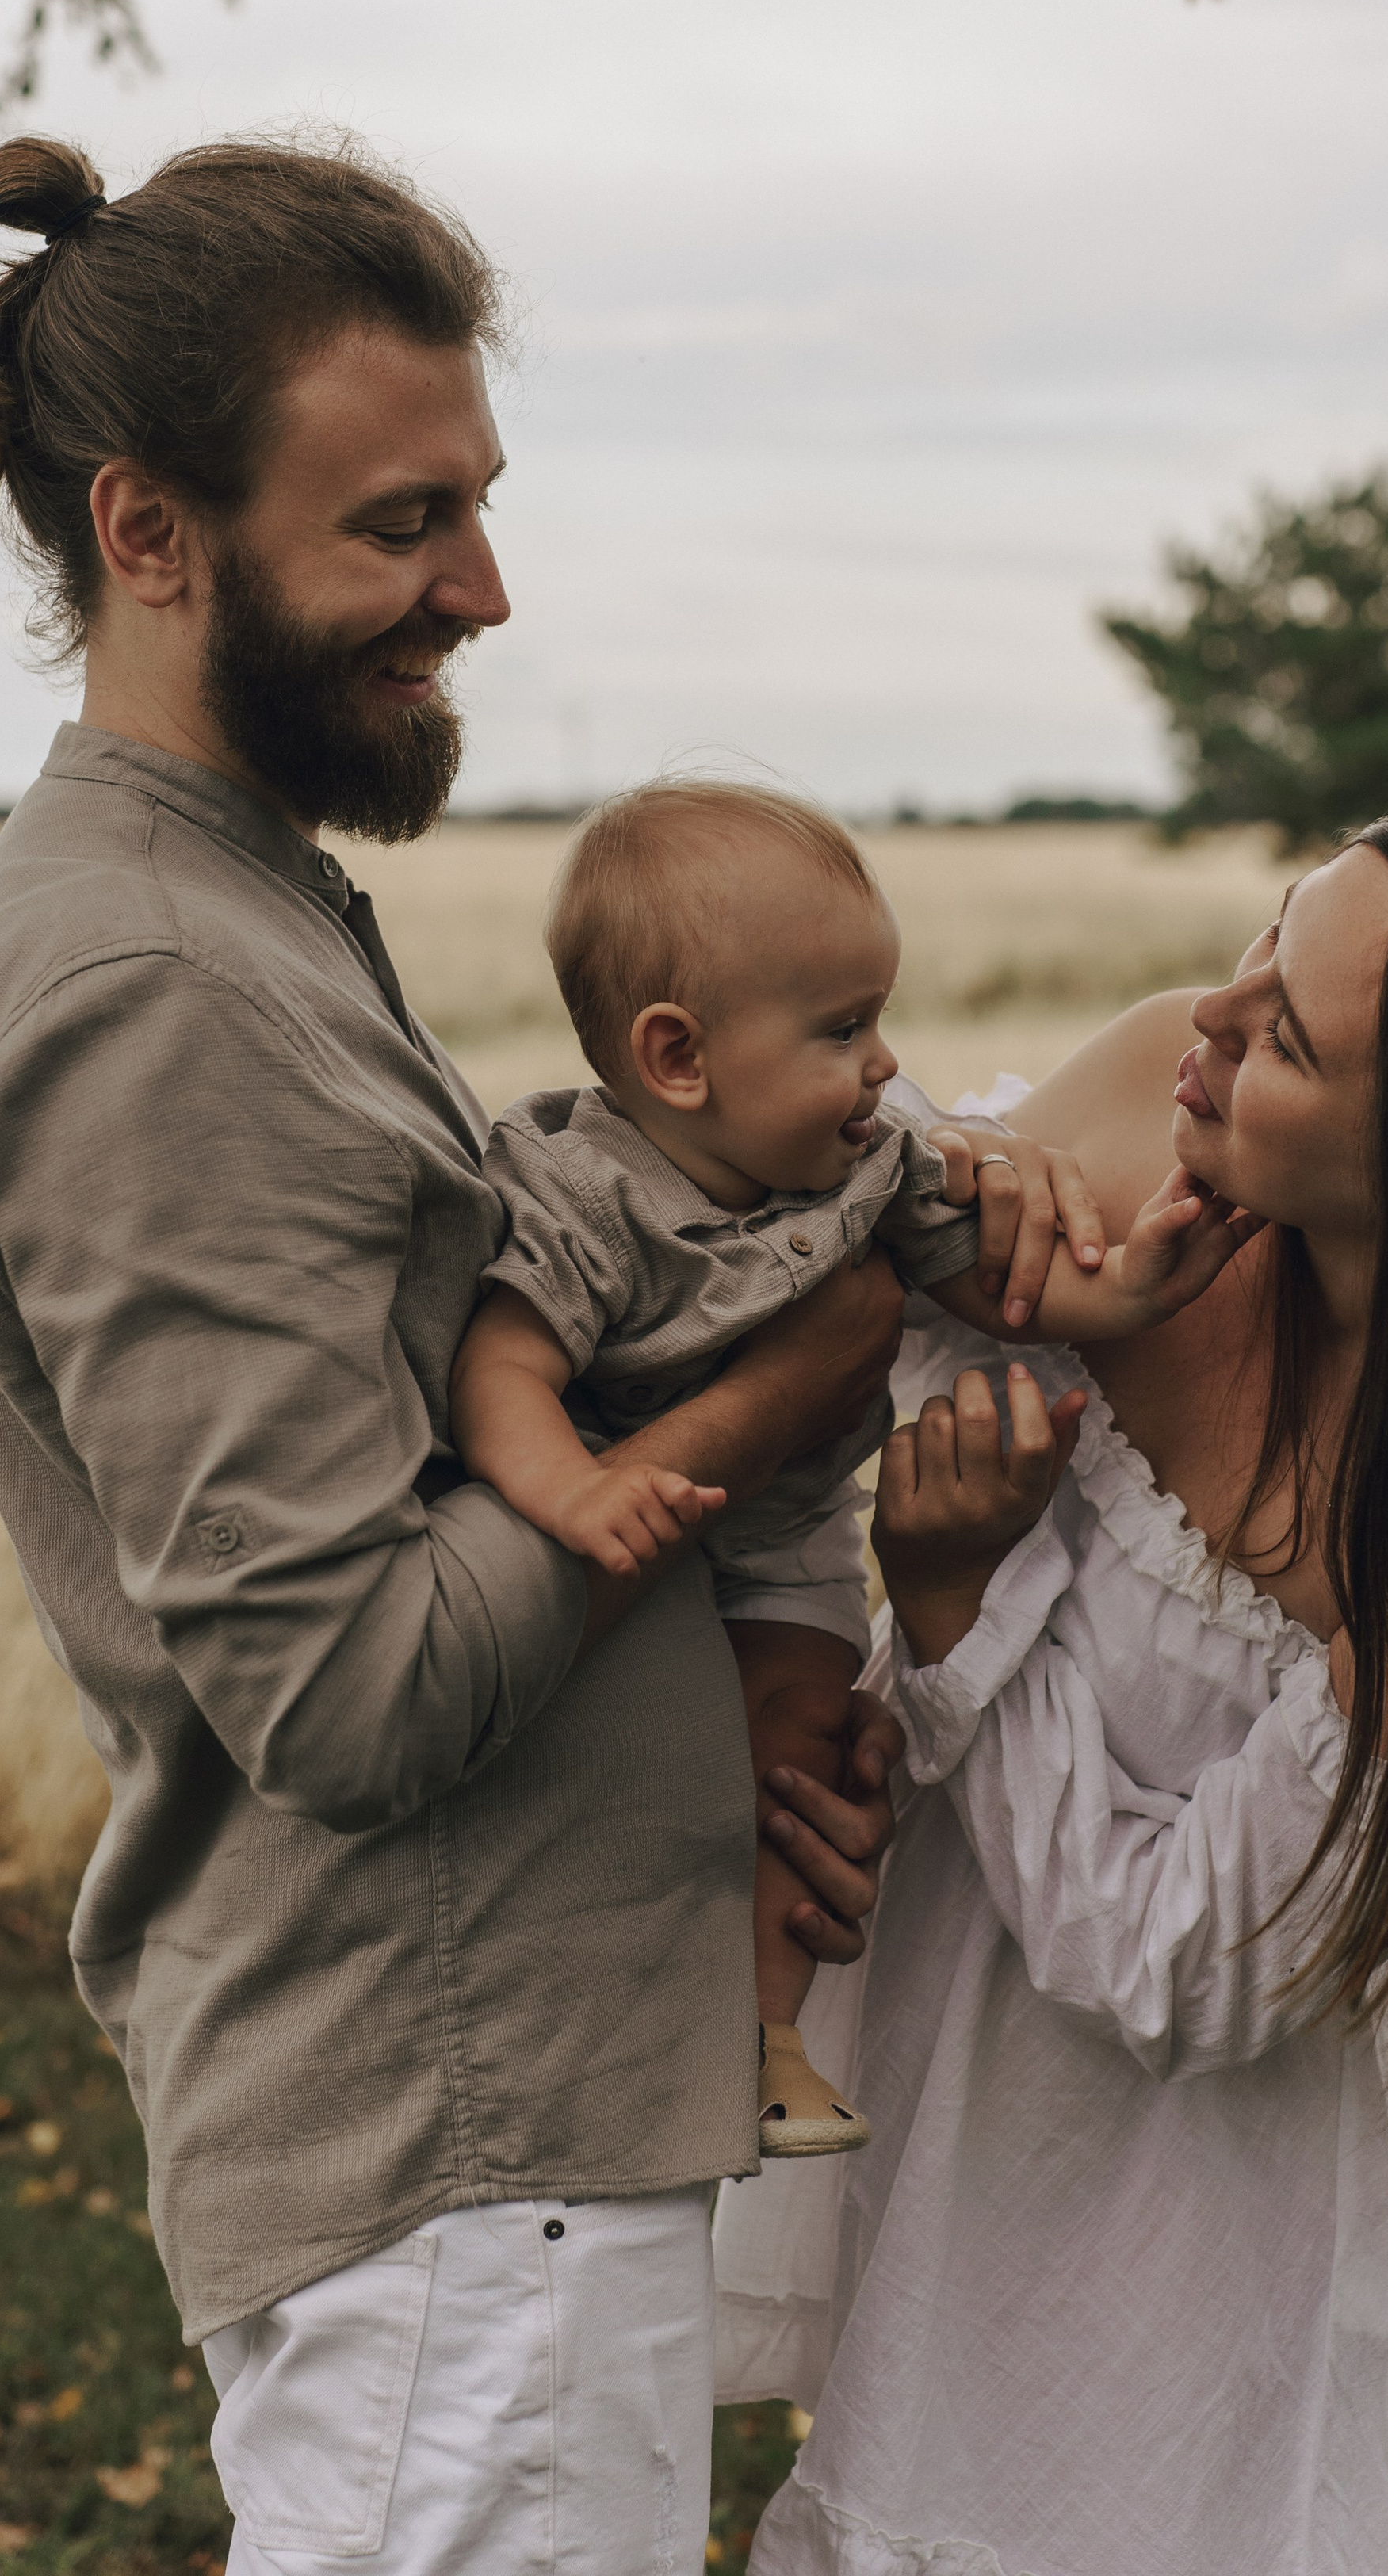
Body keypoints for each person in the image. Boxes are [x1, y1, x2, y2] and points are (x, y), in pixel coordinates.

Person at [0, 128, 1089, 2576]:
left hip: (525, 2151)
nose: (484, 587)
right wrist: (809, 1366)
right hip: (464, 2165)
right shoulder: (151, 991)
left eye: (479, 504)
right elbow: (342, 1697)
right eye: (398, 526)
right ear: (149, 533)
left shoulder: (249, 910)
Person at [719, 800, 1388, 2576]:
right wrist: (968, 1227)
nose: (1205, 1018)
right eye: (1261, 945)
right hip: (939, 2085)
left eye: (1283, 1038)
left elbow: (1174, 1960)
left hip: (1192, 2244)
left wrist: (962, 1604)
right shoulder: (1153, 1102)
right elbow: (786, 1272)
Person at [449, 776, 1253, 2160]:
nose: (887, 1065)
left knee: (802, 1757)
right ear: (679, 1057)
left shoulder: (867, 1169)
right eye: (843, 1030)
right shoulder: (578, 1187)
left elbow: (998, 1287)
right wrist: (574, 1494)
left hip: (790, 1536)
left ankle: (768, 2046)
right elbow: (500, 1367)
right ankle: (654, 2018)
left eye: (878, 1019)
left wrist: (1125, 1297)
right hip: (615, 1485)